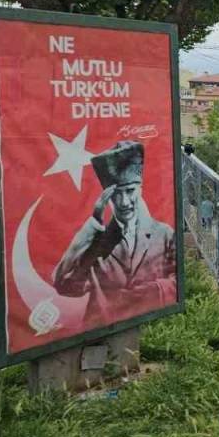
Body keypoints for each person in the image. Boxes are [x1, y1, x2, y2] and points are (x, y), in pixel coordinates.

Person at [54, 140, 177, 326]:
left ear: (140, 189)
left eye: (130, 191)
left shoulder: (164, 234)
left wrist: (147, 293)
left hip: (152, 327)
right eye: (115, 194)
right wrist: (93, 224)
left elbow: (177, 281)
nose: (124, 202)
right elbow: (65, 285)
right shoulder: (97, 241)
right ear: (106, 197)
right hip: (101, 333)